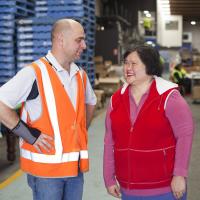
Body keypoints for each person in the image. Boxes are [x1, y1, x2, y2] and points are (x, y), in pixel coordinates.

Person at [0, 18, 96, 200]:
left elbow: (91, 102)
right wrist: (29, 134)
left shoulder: (80, 75)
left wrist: (80, 131)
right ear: (61, 39)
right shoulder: (35, 72)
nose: (84, 45)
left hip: (75, 169)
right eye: (79, 40)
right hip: (46, 173)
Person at [103, 45, 194, 200]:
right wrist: (109, 178)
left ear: (149, 66)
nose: (128, 68)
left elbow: (185, 136)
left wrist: (179, 174)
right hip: (129, 189)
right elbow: (109, 142)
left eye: (134, 63)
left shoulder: (169, 97)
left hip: (164, 189)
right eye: (126, 63)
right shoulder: (116, 100)